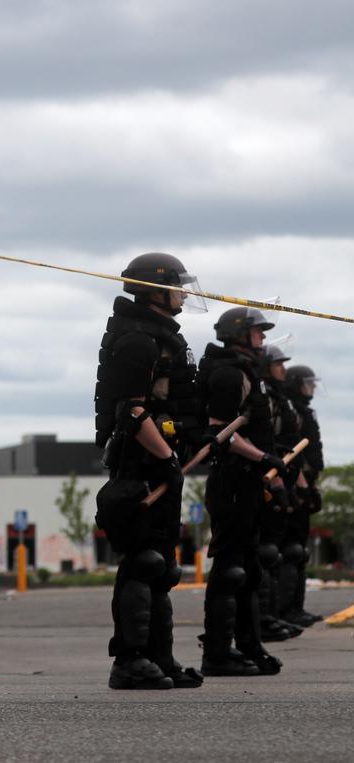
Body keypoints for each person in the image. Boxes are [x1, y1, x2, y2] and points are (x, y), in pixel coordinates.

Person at [93, 252, 205, 689]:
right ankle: (129, 660)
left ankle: (161, 659)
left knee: (164, 568)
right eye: (177, 286)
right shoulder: (138, 339)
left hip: (162, 461)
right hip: (139, 462)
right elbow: (131, 412)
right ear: (155, 290)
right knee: (143, 562)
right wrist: (165, 459)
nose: (183, 294)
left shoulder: (161, 336)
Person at [196, 307, 286, 676]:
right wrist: (263, 457)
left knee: (248, 569)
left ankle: (249, 646)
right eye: (258, 332)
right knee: (231, 570)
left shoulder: (247, 373)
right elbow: (221, 432)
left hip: (248, 480)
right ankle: (217, 654)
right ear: (239, 334)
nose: (263, 338)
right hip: (231, 479)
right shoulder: (229, 374)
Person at [255, 345, 305, 641]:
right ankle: (264, 620)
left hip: (282, 477)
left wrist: (300, 485)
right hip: (264, 480)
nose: (283, 369)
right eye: (278, 364)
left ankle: (274, 616)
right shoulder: (263, 396)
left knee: (282, 553)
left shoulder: (277, 398)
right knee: (268, 553)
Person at [281, 365, 325, 627]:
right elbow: (294, 452)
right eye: (308, 383)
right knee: (291, 551)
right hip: (295, 483)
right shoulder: (292, 409)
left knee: (299, 551)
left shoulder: (302, 409)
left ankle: (296, 608)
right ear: (296, 384)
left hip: (306, 482)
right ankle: (286, 610)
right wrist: (302, 485)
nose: (312, 388)